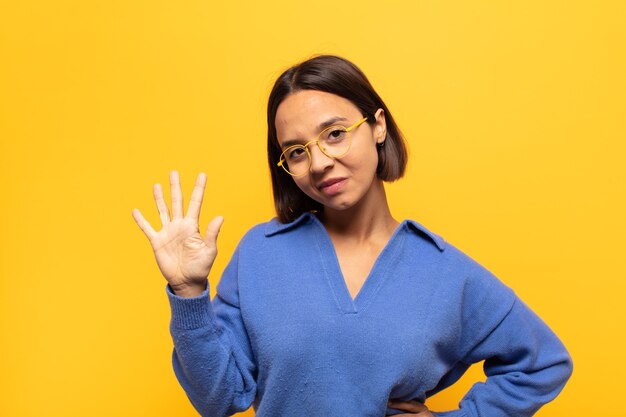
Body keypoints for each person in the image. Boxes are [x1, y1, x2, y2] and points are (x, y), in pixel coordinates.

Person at [131, 55, 573, 417]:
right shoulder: (259, 254)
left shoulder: (444, 271)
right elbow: (218, 399)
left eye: (336, 134)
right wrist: (187, 292)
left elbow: (542, 363)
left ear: (378, 126)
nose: (320, 162)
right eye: (297, 152)